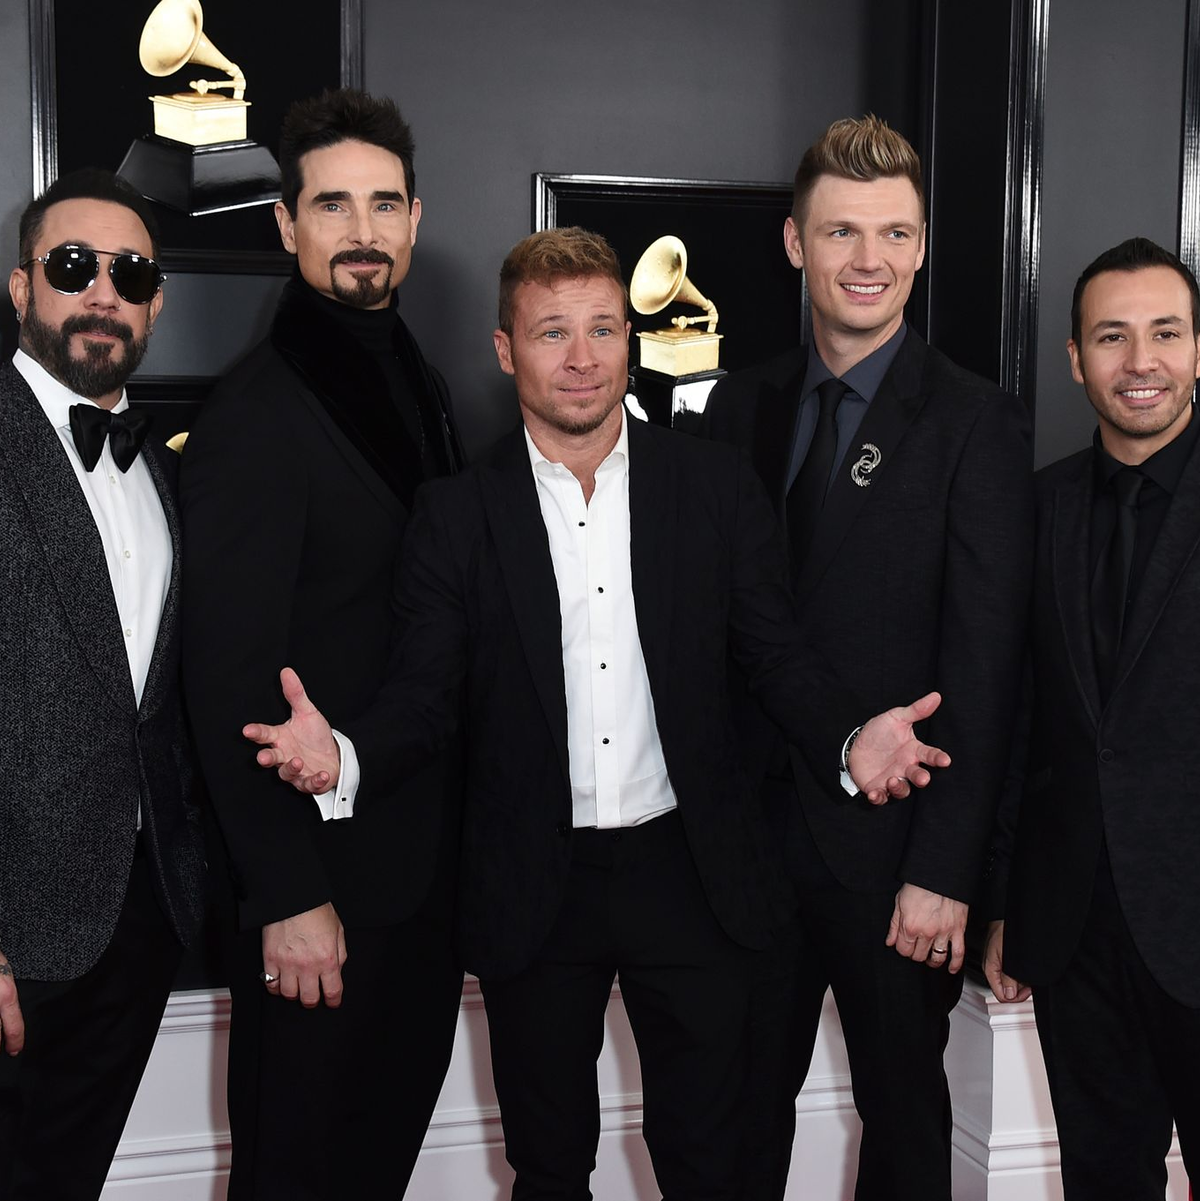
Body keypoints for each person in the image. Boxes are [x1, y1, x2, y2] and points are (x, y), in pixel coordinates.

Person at [242, 225, 955, 1201]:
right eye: (551, 333)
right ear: (506, 350)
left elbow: (777, 656)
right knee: (548, 1164)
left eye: (603, 329)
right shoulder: (457, 514)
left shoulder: (710, 485)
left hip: (693, 872)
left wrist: (846, 739)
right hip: (536, 882)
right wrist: (348, 760)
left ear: (629, 339)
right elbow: (423, 695)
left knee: (711, 1163)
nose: (581, 358)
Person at [700, 114, 1033, 1201]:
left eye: (893, 234)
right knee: (733, 1120)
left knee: (902, 1123)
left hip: (895, 864)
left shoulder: (977, 423)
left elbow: (985, 668)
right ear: (797, 244)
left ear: (924, 245)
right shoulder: (733, 407)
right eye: (841, 232)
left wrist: (946, 873)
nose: (868, 260)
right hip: (748, 848)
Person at [179, 89, 465, 1201]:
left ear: (414, 218)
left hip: (422, 878)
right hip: (320, 898)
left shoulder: (422, 383)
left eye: (382, 203)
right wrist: (286, 893)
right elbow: (225, 673)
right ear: (286, 226)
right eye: (332, 204)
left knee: (375, 1170)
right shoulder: (255, 411)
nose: (362, 230)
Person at [0, 168, 204, 1200]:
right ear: (22, 286)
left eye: (130, 273)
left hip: (139, 917)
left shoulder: (164, 472)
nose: (103, 292)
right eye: (74, 266)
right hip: (14, 928)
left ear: (156, 300)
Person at [983, 236, 1200, 1200]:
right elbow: (1015, 719)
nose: (1139, 361)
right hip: (1076, 929)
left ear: (1199, 349)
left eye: (1164, 333)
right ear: (1076, 357)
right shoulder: (1040, 508)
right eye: (1112, 337)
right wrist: (1000, 899)